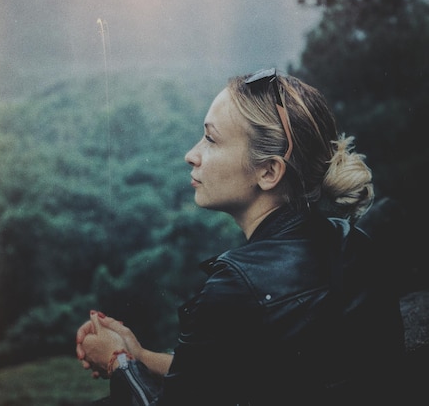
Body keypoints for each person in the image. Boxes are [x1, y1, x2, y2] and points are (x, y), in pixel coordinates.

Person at [75, 68, 405, 405]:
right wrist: (141, 356)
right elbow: (243, 374)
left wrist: (118, 362)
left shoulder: (237, 285)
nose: (192, 154)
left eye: (211, 139)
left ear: (268, 171)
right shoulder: (353, 242)